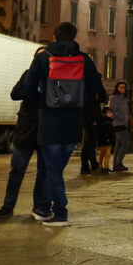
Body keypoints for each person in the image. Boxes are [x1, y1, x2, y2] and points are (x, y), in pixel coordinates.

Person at [23, 22, 104, 226]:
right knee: (56, 169)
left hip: (50, 121)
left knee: (52, 171)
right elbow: (98, 89)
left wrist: (41, 104)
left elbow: (28, 87)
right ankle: (42, 207)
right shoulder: (84, 60)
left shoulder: (44, 58)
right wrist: (82, 102)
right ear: (75, 36)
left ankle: (60, 212)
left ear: (54, 36)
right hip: (73, 122)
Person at [0, 47, 48, 219]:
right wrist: (30, 85)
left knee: (44, 172)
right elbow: (15, 94)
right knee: (17, 170)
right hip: (26, 130)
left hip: (46, 130)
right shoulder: (27, 75)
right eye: (38, 57)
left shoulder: (52, 78)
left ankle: (38, 206)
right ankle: (8, 206)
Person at [109, 82, 132, 172]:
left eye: (124, 88)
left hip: (123, 123)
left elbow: (125, 110)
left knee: (119, 144)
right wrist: (122, 118)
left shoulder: (123, 99)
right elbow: (113, 111)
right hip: (118, 123)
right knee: (125, 143)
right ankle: (118, 163)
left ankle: (116, 164)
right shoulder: (114, 98)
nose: (122, 89)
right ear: (117, 88)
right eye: (120, 87)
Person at [79, 87, 102, 176]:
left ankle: (90, 165)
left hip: (94, 122)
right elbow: (86, 110)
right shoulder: (86, 95)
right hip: (90, 123)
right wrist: (92, 121)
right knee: (89, 144)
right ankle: (89, 165)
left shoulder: (94, 95)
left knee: (89, 145)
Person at [97, 106, 115, 173]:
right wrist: (108, 139)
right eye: (109, 113)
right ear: (105, 113)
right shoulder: (106, 122)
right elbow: (107, 132)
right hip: (106, 141)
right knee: (106, 155)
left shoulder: (105, 121)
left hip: (103, 141)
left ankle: (102, 167)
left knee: (102, 155)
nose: (111, 114)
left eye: (111, 112)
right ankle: (105, 168)